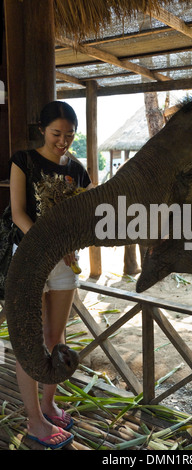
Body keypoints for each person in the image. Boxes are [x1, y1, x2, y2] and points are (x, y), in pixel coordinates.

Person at [9, 101, 93, 449]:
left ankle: (47, 405)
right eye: (56, 134)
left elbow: (86, 214)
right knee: (29, 343)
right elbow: (17, 214)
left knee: (55, 337)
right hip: (29, 257)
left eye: (69, 135)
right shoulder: (23, 161)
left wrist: (73, 241)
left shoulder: (78, 169)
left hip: (63, 262)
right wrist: (49, 244)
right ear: (42, 130)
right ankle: (34, 421)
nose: (63, 141)